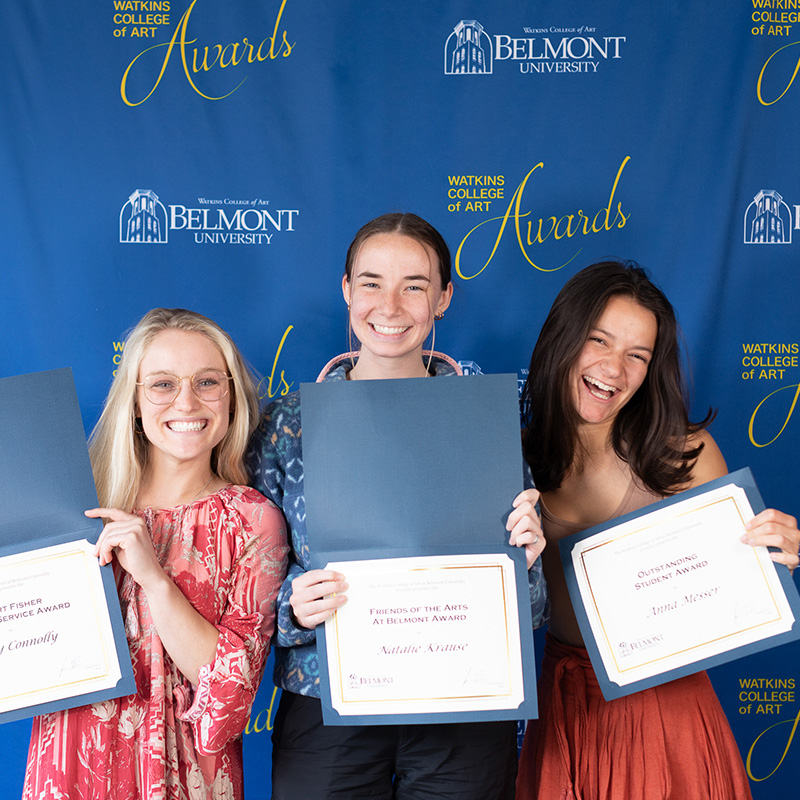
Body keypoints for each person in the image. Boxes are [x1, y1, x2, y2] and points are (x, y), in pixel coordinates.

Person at [247, 212, 547, 800]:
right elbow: (251, 590)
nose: (391, 304)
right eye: (371, 283)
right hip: (327, 698)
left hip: (464, 699)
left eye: (414, 285)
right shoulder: (286, 426)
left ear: (443, 298)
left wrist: (526, 564)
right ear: (346, 291)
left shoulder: (485, 417)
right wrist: (293, 604)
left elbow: (531, 610)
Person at [516, 261, 800, 800]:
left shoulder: (685, 456)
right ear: (563, 338)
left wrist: (777, 559)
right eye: (598, 341)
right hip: (562, 715)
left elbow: (739, 597)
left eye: (637, 356)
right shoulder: (513, 458)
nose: (613, 369)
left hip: (667, 719)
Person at [23, 308, 288, 800]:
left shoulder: (253, 521)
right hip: (71, 762)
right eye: (163, 384)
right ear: (135, 404)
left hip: (182, 774)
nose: (187, 401)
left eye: (207, 381)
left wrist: (155, 578)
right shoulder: (81, 505)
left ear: (230, 396)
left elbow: (229, 698)